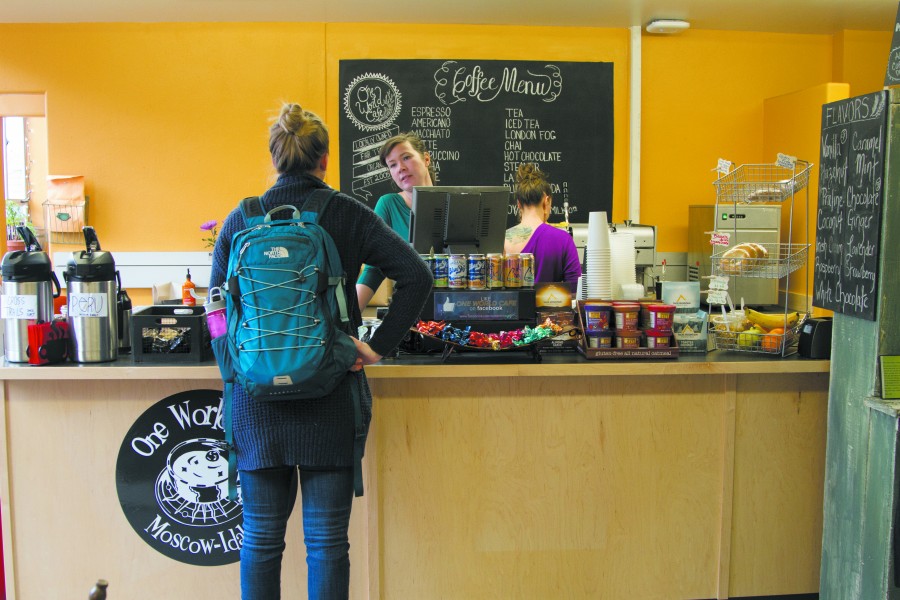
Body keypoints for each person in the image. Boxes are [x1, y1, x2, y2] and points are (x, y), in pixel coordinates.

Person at [209, 103, 432, 600]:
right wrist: (375, 348)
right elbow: (417, 276)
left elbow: (216, 309)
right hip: (330, 398)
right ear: (325, 159)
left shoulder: (240, 218)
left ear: (274, 158)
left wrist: (233, 368)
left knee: (260, 541)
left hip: (255, 405)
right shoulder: (348, 214)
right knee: (327, 544)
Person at [356, 132, 435, 310]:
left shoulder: (454, 201)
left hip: (457, 308)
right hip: (409, 309)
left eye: (406, 157)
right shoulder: (388, 205)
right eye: (393, 165)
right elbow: (374, 268)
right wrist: (348, 318)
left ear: (426, 159)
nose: (400, 168)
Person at [504, 163, 581, 283]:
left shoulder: (501, 240)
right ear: (546, 200)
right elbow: (575, 288)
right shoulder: (563, 240)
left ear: (518, 204)